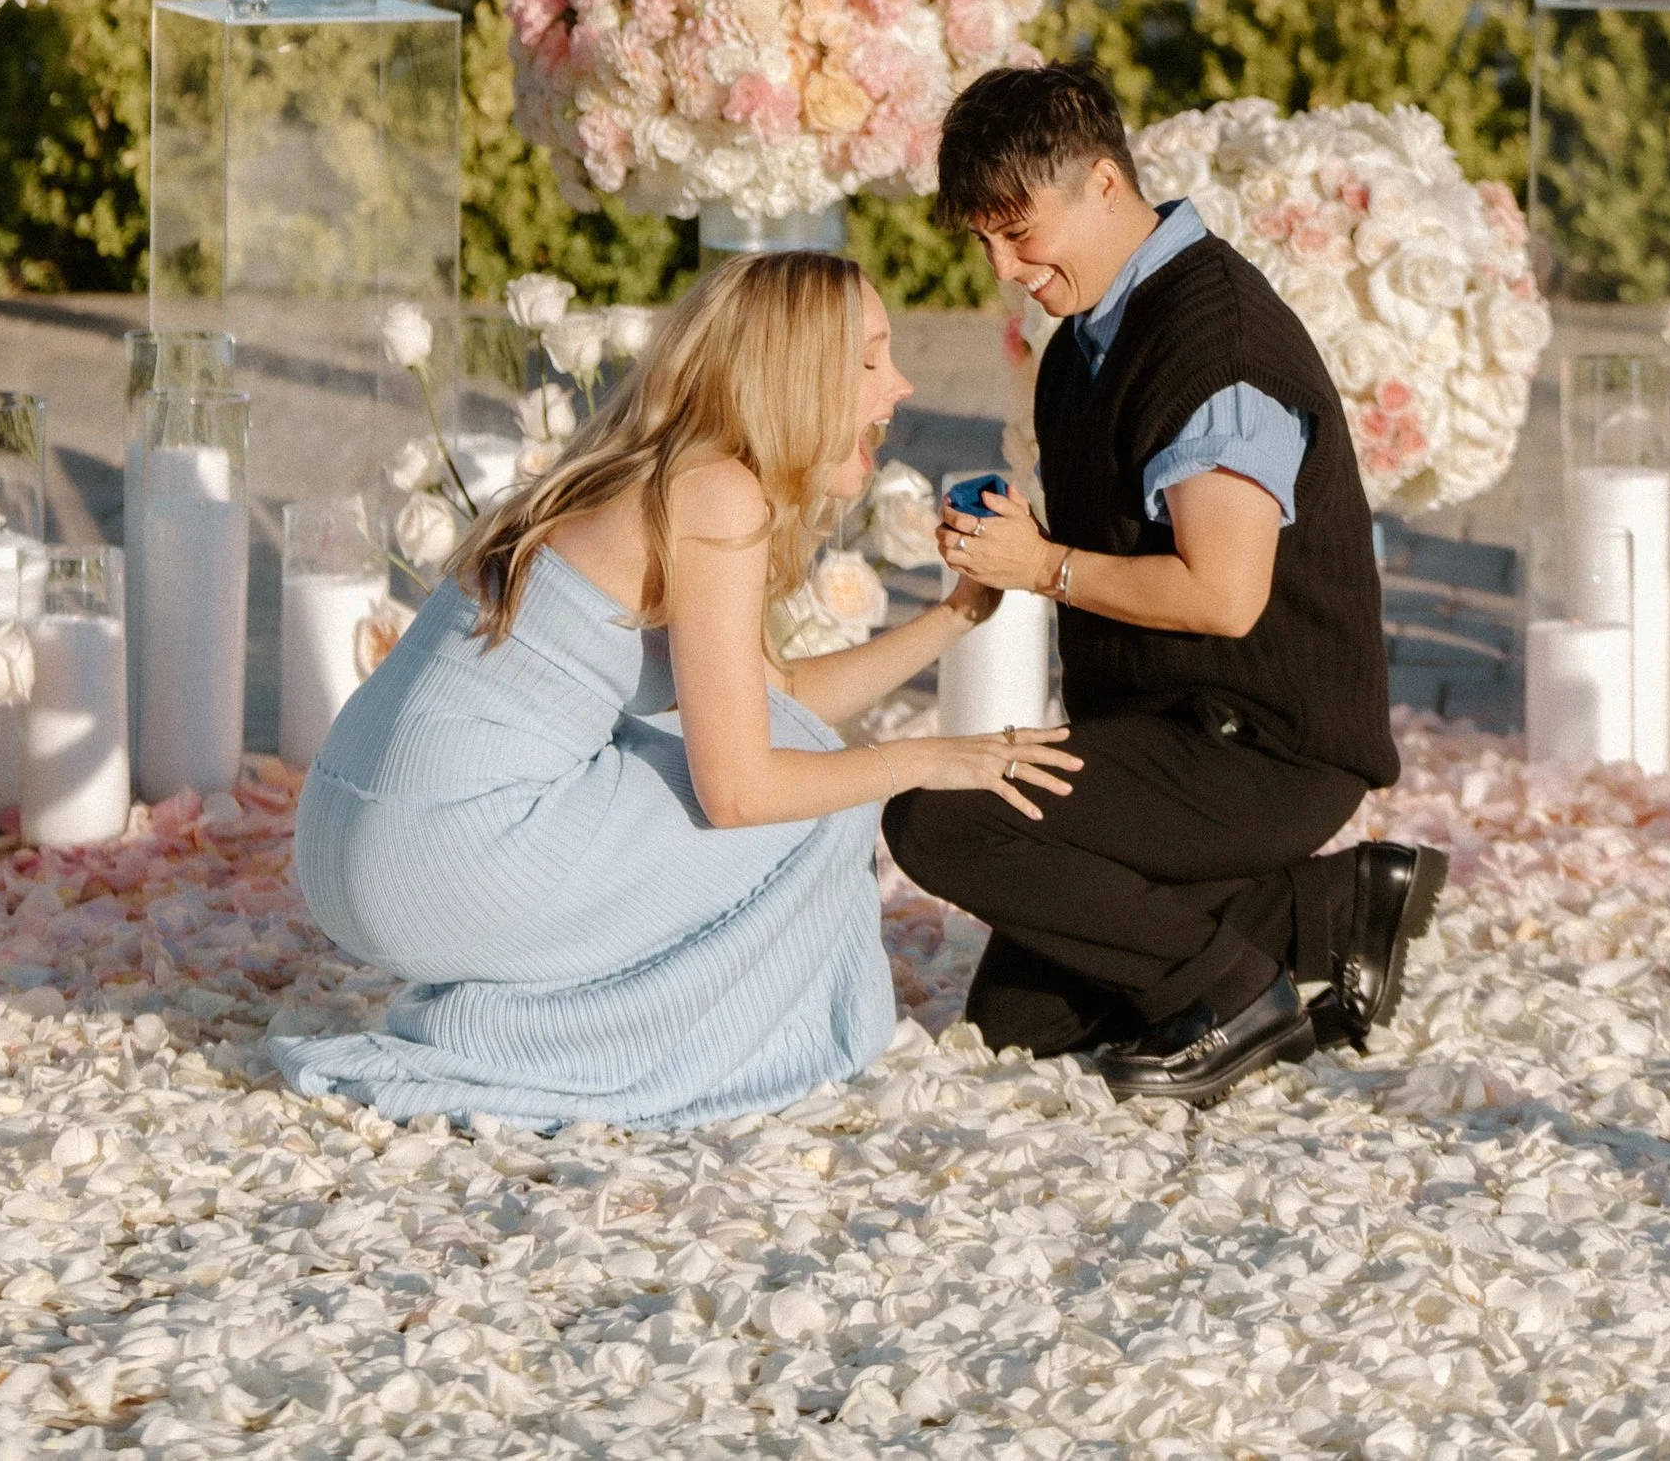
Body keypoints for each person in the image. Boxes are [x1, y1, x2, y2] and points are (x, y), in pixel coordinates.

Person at [270, 248, 1080, 1130]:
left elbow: (779, 697)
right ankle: (584, 1049)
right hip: (438, 855)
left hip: (355, 841)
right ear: (796, 375)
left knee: (808, 764)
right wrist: (932, 761)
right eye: (870, 360)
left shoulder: (669, 472)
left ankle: (518, 1025)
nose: (903, 385)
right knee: (820, 797)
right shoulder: (719, 494)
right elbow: (740, 792)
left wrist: (957, 615)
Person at [884, 59, 1446, 1105]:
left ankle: (1236, 996)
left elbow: (1222, 596)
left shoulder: (1215, 346)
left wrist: (1042, 566)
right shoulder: (1081, 346)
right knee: (1019, 1023)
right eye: (984, 241)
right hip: (1170, 729)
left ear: (1104, 184)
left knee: (942, 818)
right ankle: (1333, 910)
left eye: (1020, 233)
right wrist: (1024, 544)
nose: (1005, 267)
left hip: (1265, 747)